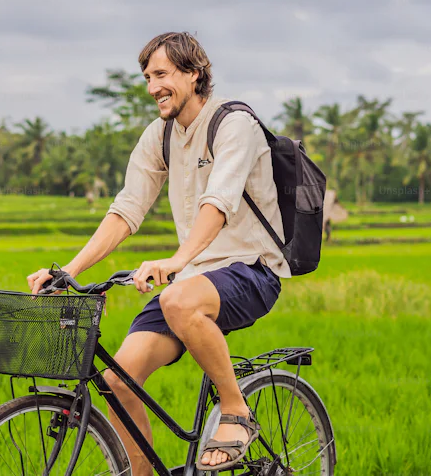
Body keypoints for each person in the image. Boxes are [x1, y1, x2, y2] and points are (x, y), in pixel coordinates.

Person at [27, 31, 288, 474]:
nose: (152, 87)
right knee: (117, 381)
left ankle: (235, 409)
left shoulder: (234, 125)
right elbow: (127, 208)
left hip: (251, 269)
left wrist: (175, 261)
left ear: (194, 74)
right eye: (147, 77)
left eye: (162, 75)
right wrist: (66, 270)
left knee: (176, 298)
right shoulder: (160, 135)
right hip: (194, 279)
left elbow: (218, 203)